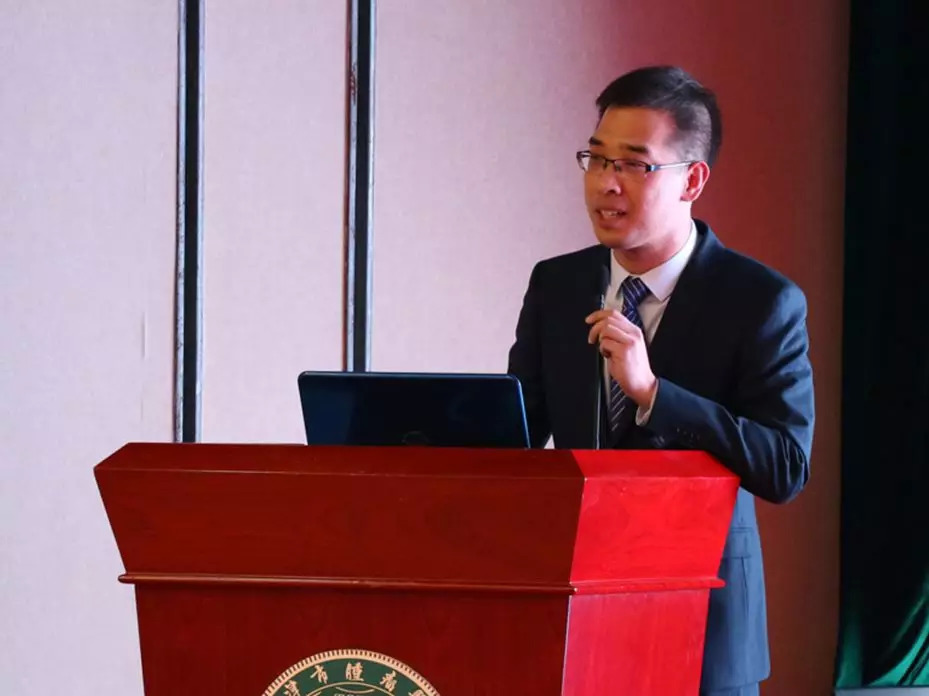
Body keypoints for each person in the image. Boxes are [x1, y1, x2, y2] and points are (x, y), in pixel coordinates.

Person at [507, 65, 815, 696]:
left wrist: (653, 394)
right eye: (596, 159)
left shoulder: (761, 301)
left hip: (704, 623)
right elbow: (519, 430)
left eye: (632, 164)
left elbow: (785, 464)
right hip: (579, 613)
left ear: (692, 180)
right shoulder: (558, 284)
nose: (606, 183)